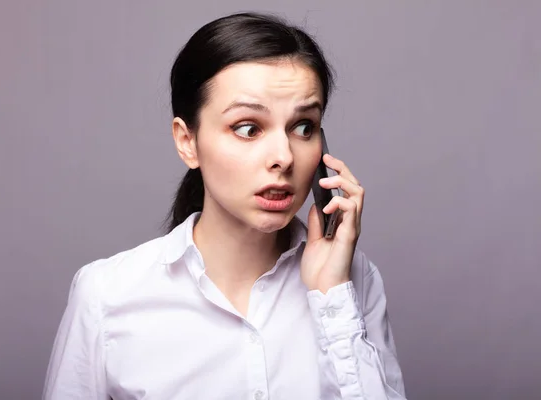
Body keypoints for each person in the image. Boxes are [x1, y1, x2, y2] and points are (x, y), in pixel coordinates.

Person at [42, 11, 406, 400]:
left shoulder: (352, 279)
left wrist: (332, 296)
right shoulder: (107, 295)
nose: (283, 156)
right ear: (187, 141)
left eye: (303, 127)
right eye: (247, 128)